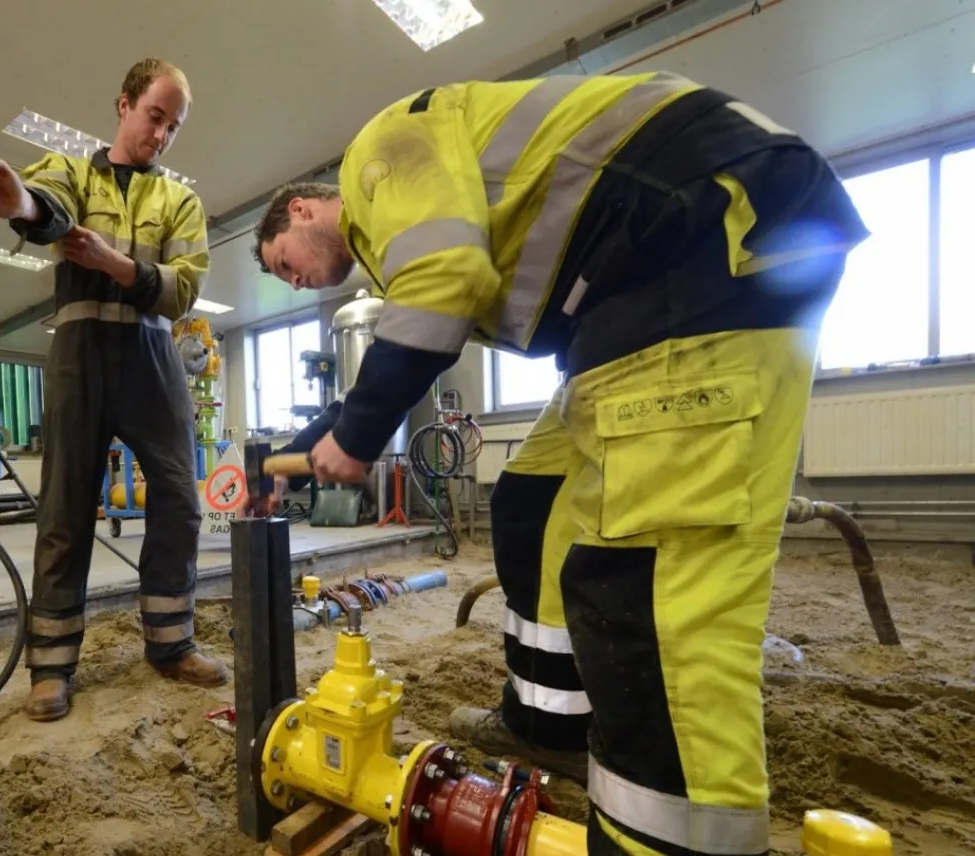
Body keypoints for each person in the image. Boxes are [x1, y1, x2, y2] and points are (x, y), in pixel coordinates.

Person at [249, 71, 867, 856]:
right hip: (629, 294)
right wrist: (312, 444)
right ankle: (548, 725)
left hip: (697, 247)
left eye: (281, 261)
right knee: (534, 501)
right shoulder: (400, 236)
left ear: (301, 210)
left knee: (651, 595)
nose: (292, 279)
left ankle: (669, 841)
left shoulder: (379, 155)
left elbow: (446, 285)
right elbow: (420, 330)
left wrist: (359, 433)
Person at [0, 58, 227, 723]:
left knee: (177, 494)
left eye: (174, 127)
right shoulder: (73, 169)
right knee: (66, 504)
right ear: (124, 105)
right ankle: (51, 666)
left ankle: (170, 643)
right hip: (79, 347)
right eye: (154, 117)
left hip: (148, 349)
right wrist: (15, 200)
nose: (161, 135)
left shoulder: (180, 201)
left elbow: (183, 286)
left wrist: (115, 263)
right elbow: (43, 207)